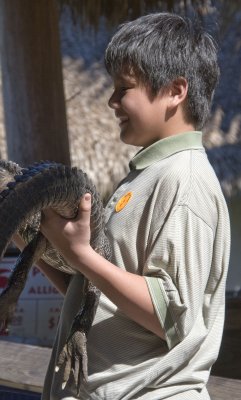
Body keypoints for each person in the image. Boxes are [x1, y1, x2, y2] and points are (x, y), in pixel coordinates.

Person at [20, 12, 231, 399]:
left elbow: (169, 316)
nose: (111, 100)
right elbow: (95, 290)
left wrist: (82, 253)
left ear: (175, 91)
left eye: (124, 88)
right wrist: (40, 244)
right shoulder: (147, 174)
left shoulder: (183, 180)